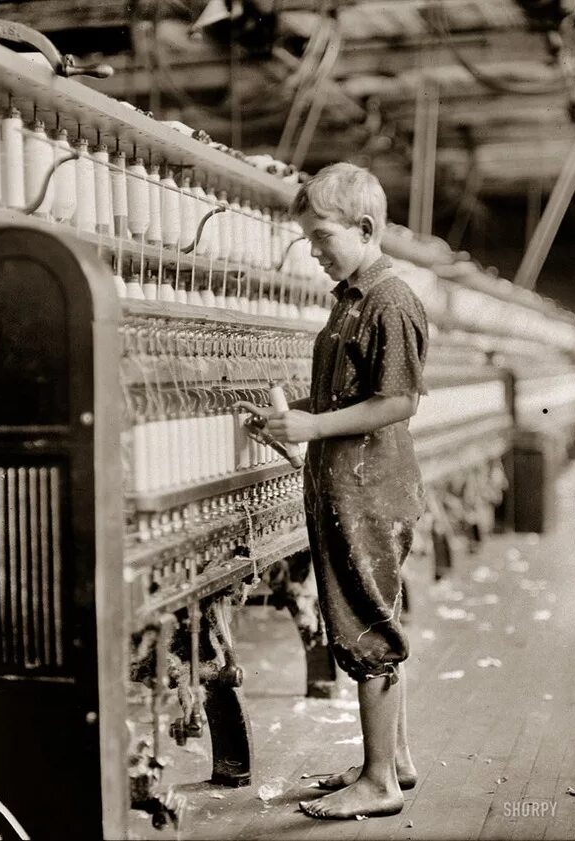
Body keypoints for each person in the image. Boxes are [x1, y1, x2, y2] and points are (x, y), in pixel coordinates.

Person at [235, 163, 429, 820]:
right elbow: (350, 397)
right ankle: (393, 762)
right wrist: (294, 418)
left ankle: (376, 784)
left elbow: (397, 401)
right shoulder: (348, 300)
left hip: (371, 492)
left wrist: (314, 423)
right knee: (366, 617)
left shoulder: (390, 301)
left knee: (367, 626)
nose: (313, 251)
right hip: (345, 487)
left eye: (322, 237)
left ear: (366, 227)